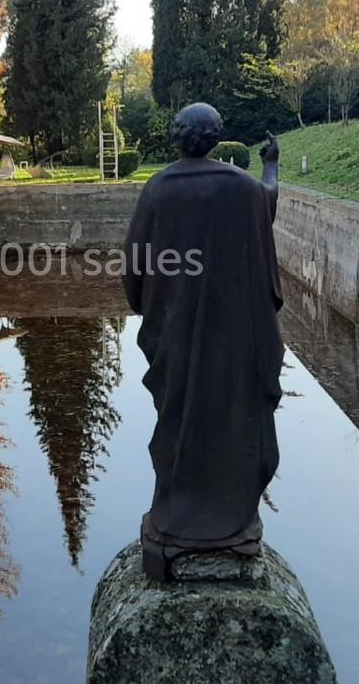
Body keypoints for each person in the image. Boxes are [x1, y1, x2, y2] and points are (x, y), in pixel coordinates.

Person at [122, 103, 285, 580]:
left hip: (175, 330)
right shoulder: (240, 187)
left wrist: (149, 308)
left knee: (179, 416)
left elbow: (134, 264)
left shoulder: (158, 189)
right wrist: (271, 163)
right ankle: (233, 526)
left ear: (177, 137)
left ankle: (173, 524)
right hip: (234, 334)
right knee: (234, 415)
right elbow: (267, 203)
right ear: (217, 138)